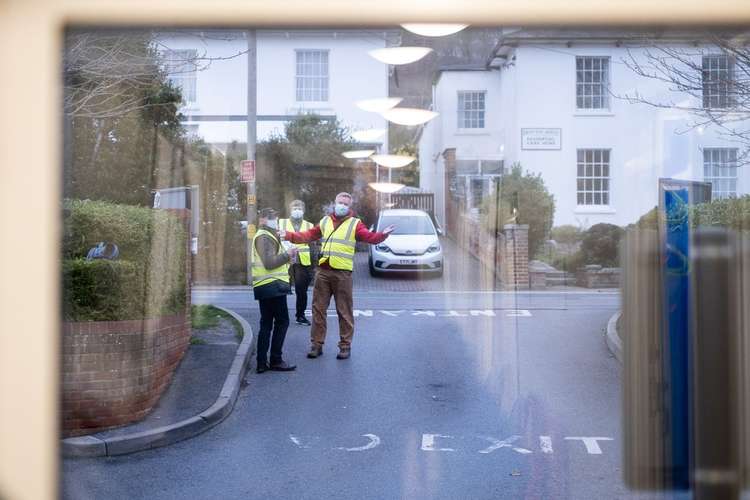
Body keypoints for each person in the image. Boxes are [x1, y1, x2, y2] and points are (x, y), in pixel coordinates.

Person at [282, 192, 395, 360]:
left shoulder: (355, 224)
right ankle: (316, 345)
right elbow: (308, 235)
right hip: (323, 272)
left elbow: (369, 237)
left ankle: (345, 346)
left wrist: (383, 235)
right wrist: (289, 235)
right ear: (334, 203)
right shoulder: (325, 221)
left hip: (342, 274)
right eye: (340, 202)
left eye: (345, 203)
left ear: (349, 207)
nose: (342, 205)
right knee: (318, 309)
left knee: (344, 311)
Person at [251, 208, 298, 373]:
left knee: (266, 323)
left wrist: (287, 260)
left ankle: (262, 363)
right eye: (271, 218)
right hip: (273, 286)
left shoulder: (266, 235)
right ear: (262, 220)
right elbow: (269, 263)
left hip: (266, 286)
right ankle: (275, 360)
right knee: (282, 322)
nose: (275, 221)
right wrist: (288, 254)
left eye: (276, 218)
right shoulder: (264, 236)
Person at [279, 200, 314, 326]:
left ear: (303, 210)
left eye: (299, 208)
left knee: (301, 291)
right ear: (290, 210)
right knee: (280, 290)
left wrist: (313, 266)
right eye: (294, 207)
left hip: (302, 261)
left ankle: (300, 315)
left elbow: (313, 244)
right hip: (284, 260)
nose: (297, 210)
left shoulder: (309, 225)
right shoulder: (282, 222)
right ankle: (279, 315)